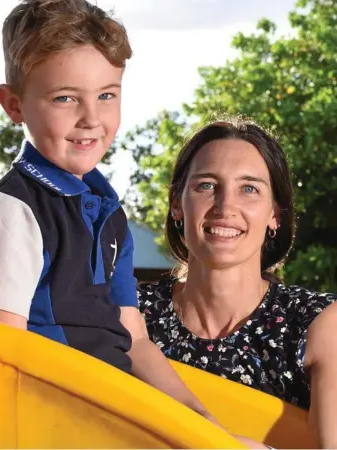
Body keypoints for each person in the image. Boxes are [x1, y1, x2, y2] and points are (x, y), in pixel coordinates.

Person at [0, 0, 235, 434]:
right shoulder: (13, 212)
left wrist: (204, 422)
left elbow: (133, 337)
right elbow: (2, 352)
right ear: (14, 105)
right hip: (59, 419)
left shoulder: (109, 212)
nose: (91, 119)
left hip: (112, 406)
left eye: (106, 96)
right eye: (65, 98)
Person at [138, 118, 337, 448]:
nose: (225, 206)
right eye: (206, 186)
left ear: (276, 214)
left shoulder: (321, 325)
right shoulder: (129, 315)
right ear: (177, 205)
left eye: (249, 189)